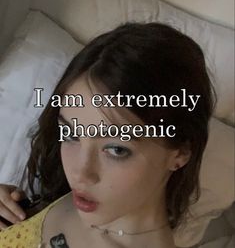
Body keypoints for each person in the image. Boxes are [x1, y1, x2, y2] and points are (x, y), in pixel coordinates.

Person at [0, 22, 215, 248]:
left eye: (117, 149)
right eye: (71, 134)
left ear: (180, 152)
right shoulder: (70, 198)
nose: (80, 174)